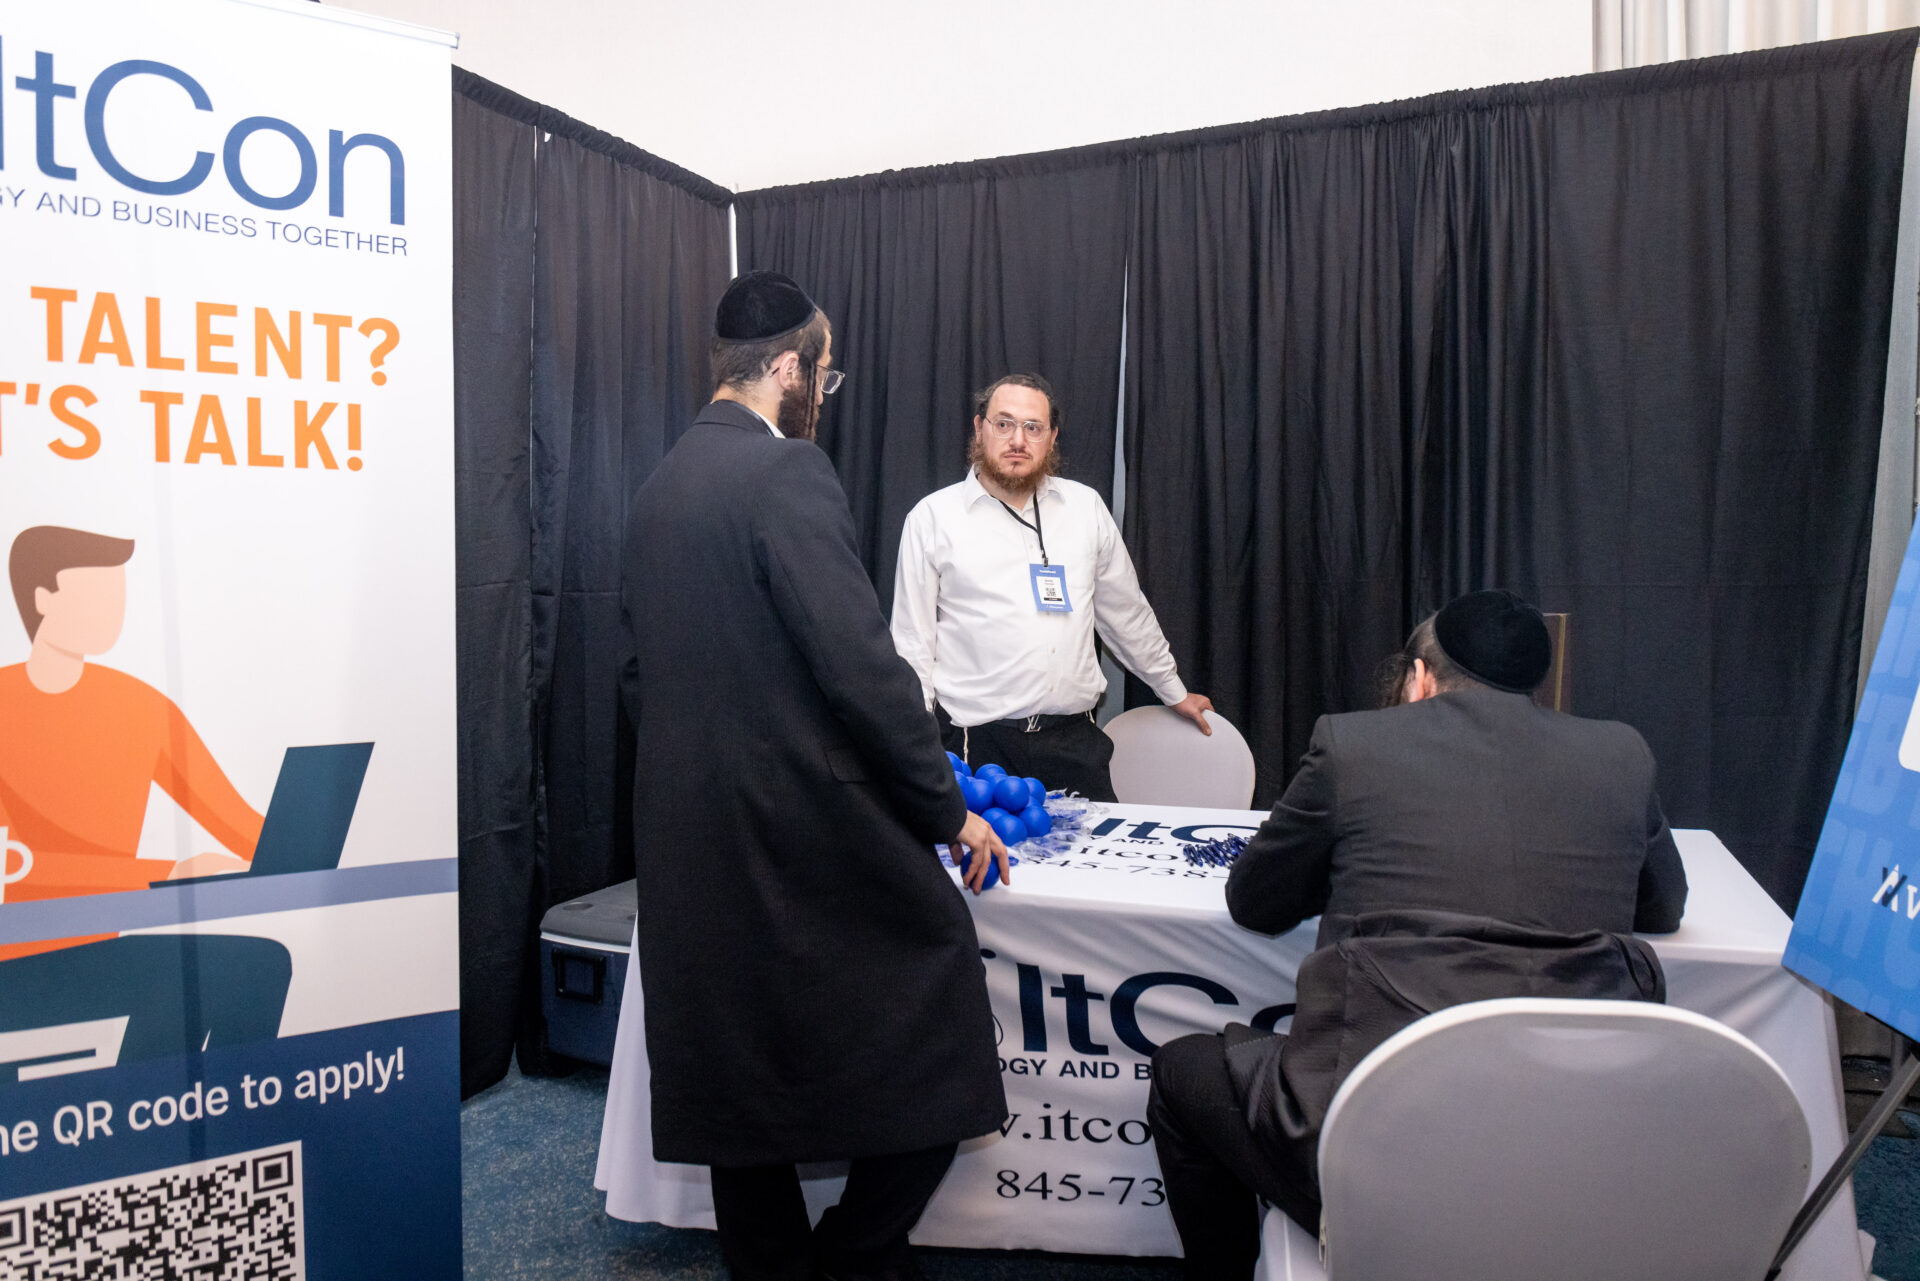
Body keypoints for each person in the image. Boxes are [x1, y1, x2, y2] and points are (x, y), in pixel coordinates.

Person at [617, 270, 1010, 1281]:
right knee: (943, 1015)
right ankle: (855, 1254)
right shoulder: (785, 472)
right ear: (789, 368)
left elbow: (637, 676)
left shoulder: (660, 486)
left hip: (688, 829)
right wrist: (946, 811)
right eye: (823, 378)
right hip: (798, 825)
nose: (822, 398)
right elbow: (863, 670)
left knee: (737, 1070)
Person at [1147, 589, 1688, 1278]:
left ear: (1421, 678)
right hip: (1569, 1149)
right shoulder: (1621, 754)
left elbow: (1255, 901)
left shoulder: (1353, 745)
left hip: (1379, 1152)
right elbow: (1662, 907)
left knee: (1181, 1070)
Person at [890, 372, 1212, 800]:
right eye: (1004, 423)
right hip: (977, 748)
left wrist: (1172, 690)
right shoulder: (932, 518)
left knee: (1096, 845)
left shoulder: (1085, 507)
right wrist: (916, 742)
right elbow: (912, 642)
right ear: (979, 427)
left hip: (1073, 742)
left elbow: (1125, 613)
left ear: (1052, 437)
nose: (1017, 440)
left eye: (1033, 427)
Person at [0, 526, 263, 960]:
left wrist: (298, 843)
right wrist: (167, 873)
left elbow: (236, 823)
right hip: (16, 959)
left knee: (258, 963)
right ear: (43, 599)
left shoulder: (140, 706)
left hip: (102, 946)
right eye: (95, 596)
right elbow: (13, 862)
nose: (111, 613)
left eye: (117, 597)